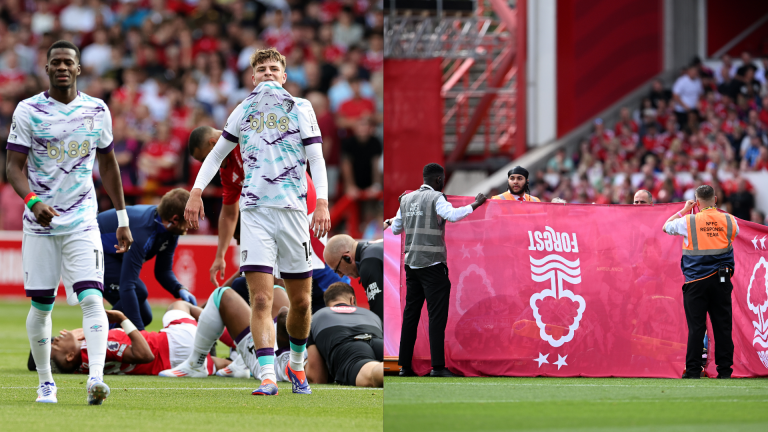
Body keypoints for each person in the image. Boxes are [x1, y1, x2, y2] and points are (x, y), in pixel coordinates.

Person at [185, 48, 330, 396]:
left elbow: (316, 157)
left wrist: (322, 201)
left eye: (273, 68)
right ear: (252, 78)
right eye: (261, 69)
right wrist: (194, 191)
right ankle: (267, 375)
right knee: (262, 300)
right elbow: (218, 153)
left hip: (295, 212)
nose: (267, 73)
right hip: (255, 213)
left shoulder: (301, 107)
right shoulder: (242, 110)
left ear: (284, 76)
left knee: (301, 302)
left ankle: (296, 367)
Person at [5, 40, 133, 405]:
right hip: (41, 225)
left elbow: (108, 164)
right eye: (55, 63)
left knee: (93, 298)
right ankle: (46, 382)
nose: (62, 67)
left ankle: (95, 379)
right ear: (47, 69)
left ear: (78, 69)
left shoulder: (97, 110)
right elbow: (13, 167)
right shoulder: (28, 111)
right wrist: (32, 200)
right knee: (42, 306)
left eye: (68, 63)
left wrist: (122, 217)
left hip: (82, 221)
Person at [389, 163, 488, 377]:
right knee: (436, 317)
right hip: (433, 265)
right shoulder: (436, 198)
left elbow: (396, 228)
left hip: (411, 266)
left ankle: (404, 367)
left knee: (410, 316)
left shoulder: (405, 200)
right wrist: (475, 205)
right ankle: (437, 367)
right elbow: (452, 215)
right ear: (439, 180)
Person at [662, 185, 738, 379]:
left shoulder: (688, 220)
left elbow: (665, 226)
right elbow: (732, 237)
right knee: (723, 326)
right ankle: (724, 372)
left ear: (696, 201)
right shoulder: (729, 220)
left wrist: (685, 210)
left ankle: (694, 371)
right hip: (721, 280)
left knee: (697, 328)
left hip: (696, 281)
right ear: (716, 199)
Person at [98, 189, 197, 331]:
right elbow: (127, 286)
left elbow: (163, 271)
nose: (192, 224)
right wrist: (141, 335)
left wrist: (179, 288)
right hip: (92, 251)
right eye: (190, 218)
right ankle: (90, 337)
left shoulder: (170, 230)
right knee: (138, 292)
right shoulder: (143, 231)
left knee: (144, 316)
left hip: (113, 256)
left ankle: (104, 339)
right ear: (175, 219)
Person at [297, 282, 383, 387]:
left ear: (327, 305)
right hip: (379, 343)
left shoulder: (317, 317)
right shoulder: (371, 314)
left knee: (372, 374)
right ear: (352, 300)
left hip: (350, 348)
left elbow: (317, 377)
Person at [323, 234, 383, 321]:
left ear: (347, 257)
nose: (340, 275)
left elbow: (379, 316)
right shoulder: (373, 248)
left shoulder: (368, 263)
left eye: (338, 269)